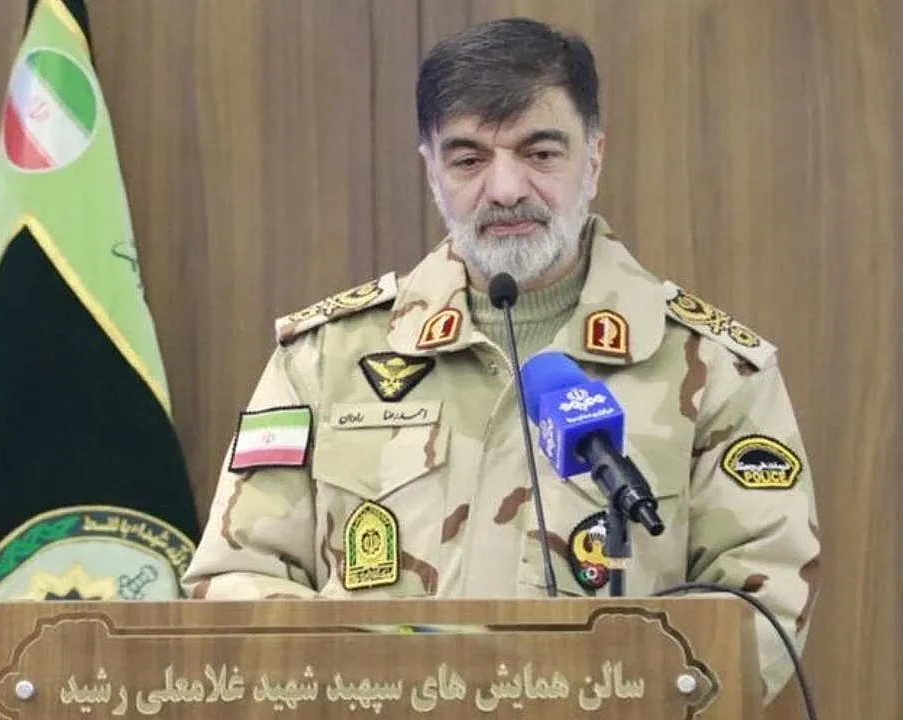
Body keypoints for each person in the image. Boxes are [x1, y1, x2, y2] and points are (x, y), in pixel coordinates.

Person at [180, 16, 820, 706]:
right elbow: (234, 582)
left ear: (594, 157)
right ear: (431, 171)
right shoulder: (323, 358)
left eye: (540, 153)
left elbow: (761, 606)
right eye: (469, 160)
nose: (506, 188)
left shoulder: (713, 368)